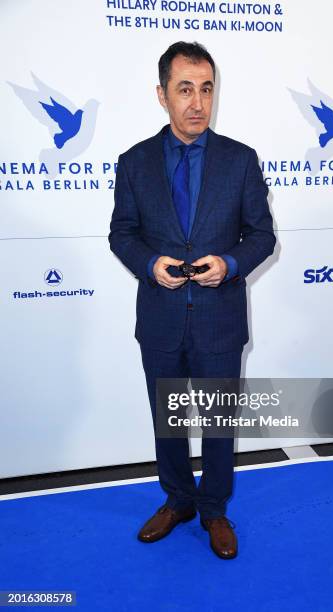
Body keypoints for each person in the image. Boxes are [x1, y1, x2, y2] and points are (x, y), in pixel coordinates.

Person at [108, 41, 276, 559]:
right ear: (162, 95)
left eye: (206, 89)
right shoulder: (134, 163)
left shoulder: (241, 161)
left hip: (219, 318)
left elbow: (262, 236)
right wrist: (148, 264)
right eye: (185, 90)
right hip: (160, 318)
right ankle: (178, 499)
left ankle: (214, 510)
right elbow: (122, 233)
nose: (197, 103)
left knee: (219, 422)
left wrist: (229, 264)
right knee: (170, 419)